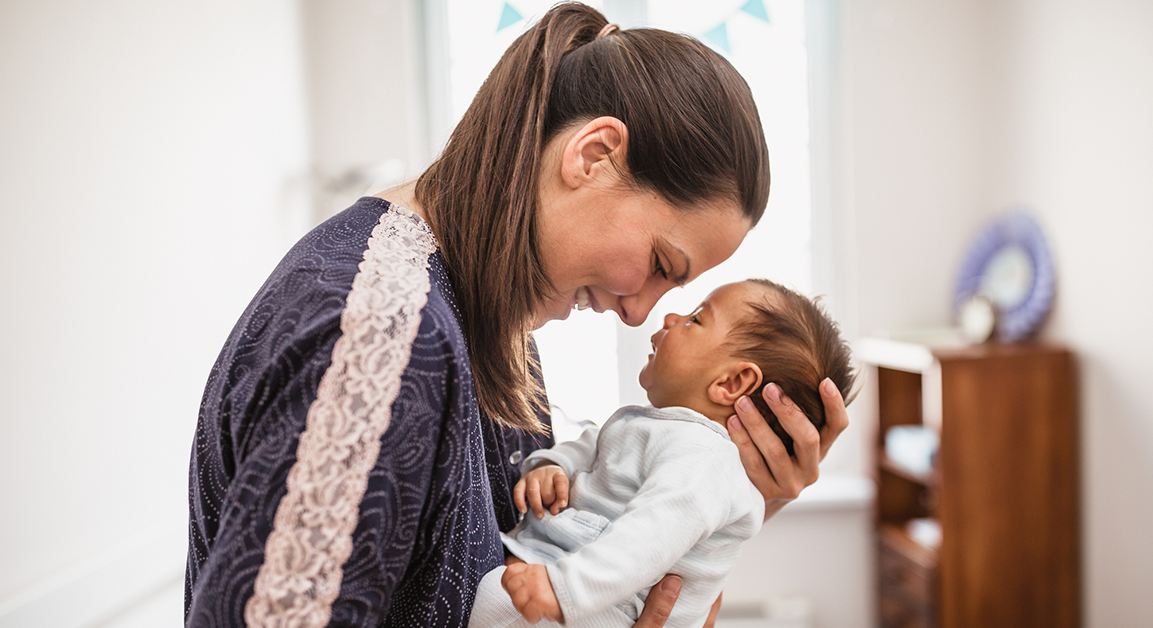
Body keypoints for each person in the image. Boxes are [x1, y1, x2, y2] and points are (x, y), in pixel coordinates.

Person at [184, 4, 849, 628]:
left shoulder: (490, 316)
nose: (640, 312)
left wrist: (733, 505)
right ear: (592, 157)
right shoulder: (385, 334)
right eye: (658, 261)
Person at [468, 280, 856, 628]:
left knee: (491, 604)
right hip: (577, 584)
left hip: (608, 606)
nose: (672, 315)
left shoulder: (707, 458)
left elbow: (647, 540)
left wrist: (564, 590)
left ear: (731, 382)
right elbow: (591, 446)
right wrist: (553, 465)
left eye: (696, 319)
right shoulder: (655, 425)